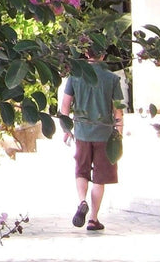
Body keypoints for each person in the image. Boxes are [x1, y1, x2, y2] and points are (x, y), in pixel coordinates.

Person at [58, 54, 125, 232]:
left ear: (86, 54)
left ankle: (82, 202)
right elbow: (118, 111)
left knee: (81, 170)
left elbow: (65, 106)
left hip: (82, 131)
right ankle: (93, 219)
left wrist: (66, 129)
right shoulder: (112, 78)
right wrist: (119, 134)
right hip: (104, 134)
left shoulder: (75, 76)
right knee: (99, 178)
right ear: (103, 55)